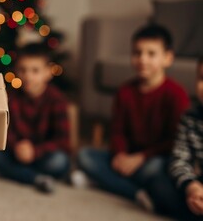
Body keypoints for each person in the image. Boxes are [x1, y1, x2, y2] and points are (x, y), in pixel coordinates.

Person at [76, 24, 190, 210]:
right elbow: (117, 131)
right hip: (126, 157)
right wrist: (120, 154)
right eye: (137, 53)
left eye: (151, 54)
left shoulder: (176, 94)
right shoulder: (125, 92)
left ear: (168, 58)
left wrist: (140, 158)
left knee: (156, 169)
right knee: (84, 155)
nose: (142, 59)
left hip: (153, 159)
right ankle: (136, 193)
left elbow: (175, 141)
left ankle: (106, 182)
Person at [0, 43, 71, 194]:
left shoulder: (57, 99)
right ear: (16, 71)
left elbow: (63, 140)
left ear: (48, 73)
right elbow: (5, 131)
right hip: (17, 151)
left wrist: (36, 151)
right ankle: (37, 178)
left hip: (43, 155)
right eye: (23, 70)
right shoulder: (11, 97)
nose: (28, 76)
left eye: (35, 71)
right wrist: (17, 146)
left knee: (60, 161)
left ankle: (18, 173)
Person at [148, 58, 203, 220]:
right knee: (158, 183)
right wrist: (191, 187)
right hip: (198, 185)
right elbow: (180, 159)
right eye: (201, 78)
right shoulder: (190, 118)